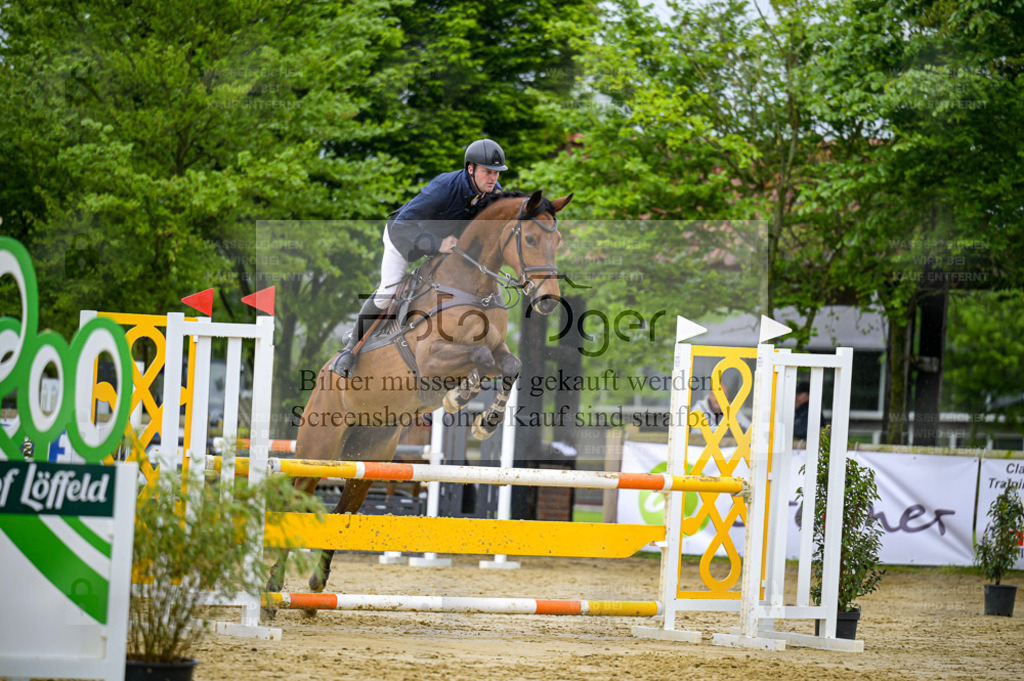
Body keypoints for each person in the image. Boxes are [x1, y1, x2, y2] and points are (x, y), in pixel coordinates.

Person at [332, 139, 508, 378]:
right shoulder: (444, 187)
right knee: (387, 293)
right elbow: (404, 224)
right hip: (404, 239)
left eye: (496, 173)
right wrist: (438, 244)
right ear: (470, 169)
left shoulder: (493, 194)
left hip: (442, 248)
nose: (493, 178)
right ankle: (350, 348)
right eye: (488, 172)